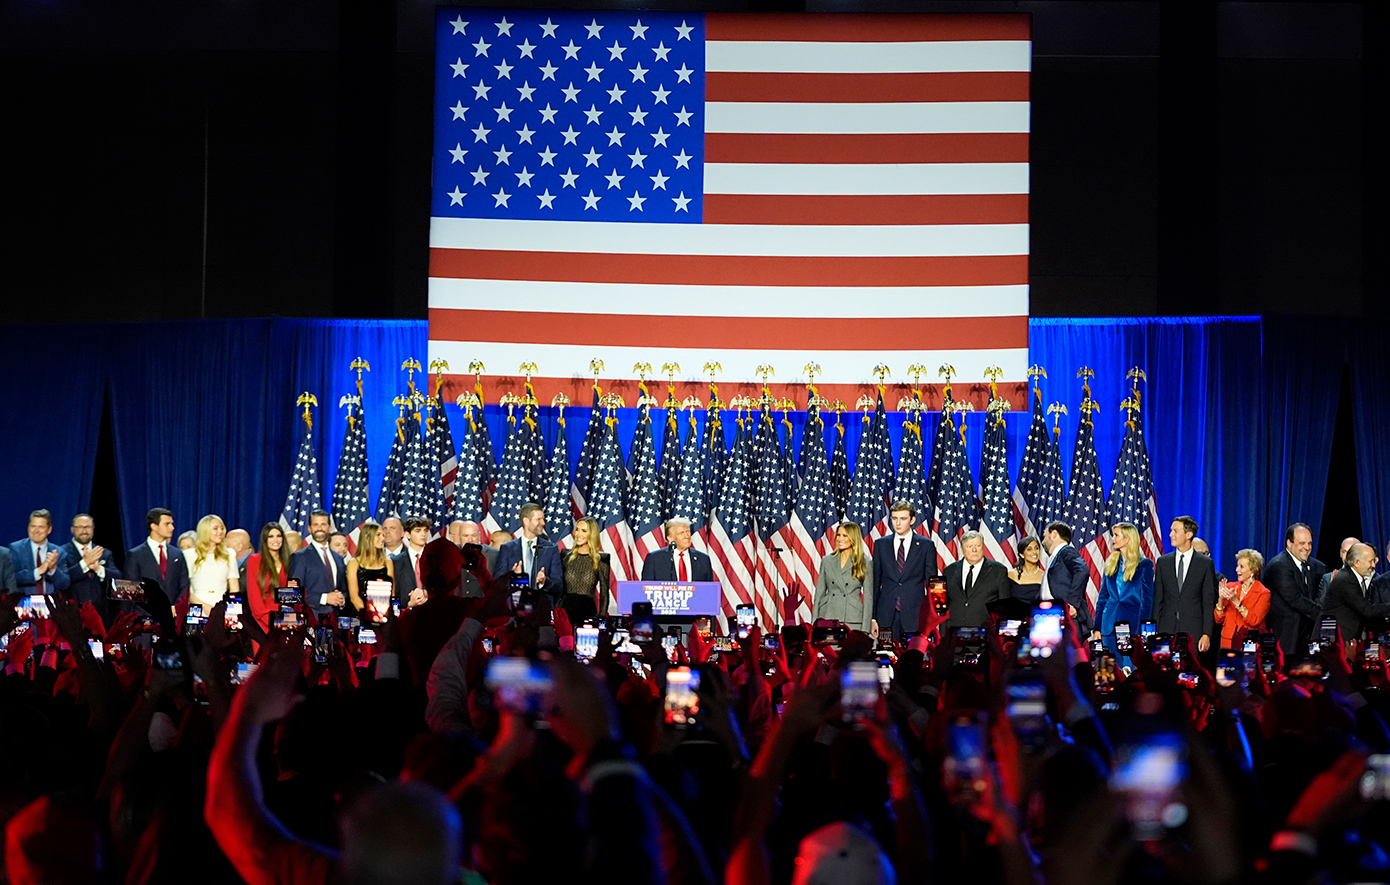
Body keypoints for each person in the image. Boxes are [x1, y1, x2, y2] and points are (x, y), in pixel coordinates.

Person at [1153, 515, 1218, 653]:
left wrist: (1207, 634)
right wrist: (1155, 632)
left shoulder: (1205, 564)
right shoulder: (1163, 563)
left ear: (1189, 534)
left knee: (1190, 673)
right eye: (1171, 530)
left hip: (1193, 633)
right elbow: (1158, 600)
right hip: (1166, 631)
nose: (1171, 534)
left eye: (1175, 531)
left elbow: (1208, 602)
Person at [872, 501, 937, 639]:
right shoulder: (881, 544)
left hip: (915, 615)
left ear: (912, 520)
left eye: (903, 519)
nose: (898, 523)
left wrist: (932, 618)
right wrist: (873, 618)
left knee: (914, 657)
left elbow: (932, 583)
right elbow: (875, 583)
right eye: (894, 518)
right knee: (886, 656)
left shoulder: (926, 545)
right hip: (886, 615)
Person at [1092, 523, 1154, 662]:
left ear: (1127, 539)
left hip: (1131, 627)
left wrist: (1141, 633)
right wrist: (1097, 628)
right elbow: (1102, 598)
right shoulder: (1111, 563)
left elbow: (1147, 602)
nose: (1113, 538)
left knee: (1128, 670)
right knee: (1109, 671)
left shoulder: (1144, 565)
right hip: (1108, 626)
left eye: (1116, 535)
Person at [1263, 522, 1326, 656]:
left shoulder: (1313, 566)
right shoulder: (1279, 566)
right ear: (1289, 543)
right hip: (1287, 637)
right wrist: (1325, 614)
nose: (1307, 548)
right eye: (1302, 543)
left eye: (1309, 543)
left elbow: (1313, 596)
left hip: (1305, 636)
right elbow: (1295, 599)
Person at [1319, 542, 1390, 643]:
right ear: (1356, 562)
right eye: (1370, 561)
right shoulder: (1345, 580)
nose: (1373, 565)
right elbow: (1367, 610)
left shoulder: (1352, 577)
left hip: (1343, 640)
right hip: (1333, 641)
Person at [812, 521, 874, 632]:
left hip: (852, 618)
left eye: (845, 536)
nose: (840, 539)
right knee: (828, 649)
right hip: (828, 615)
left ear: (853, 538)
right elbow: (819, 594)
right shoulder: (827, 561)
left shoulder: (865, 562)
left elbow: (869, 599)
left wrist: (865, 629)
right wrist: (814, 624)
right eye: (838, 535)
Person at [495, 503, 565, 598]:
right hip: (515, 607)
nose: (543, 523)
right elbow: (498, 584)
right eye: (538, 519)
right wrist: (513, 577)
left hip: (541, 606)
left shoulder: (551, 549)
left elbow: (559, 586)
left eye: (543, 519)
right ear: (526, 521)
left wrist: (544, 581)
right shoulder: (507, 549)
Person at [61, 513, 121, 622]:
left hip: (100, 616)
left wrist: (98, 569)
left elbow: (118, 578)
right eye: (80, 527)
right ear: (72, 529)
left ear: (93, 529)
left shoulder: (104, 553)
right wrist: (85, 563)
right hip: (72, 616)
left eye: (88, 527)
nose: (84, 531)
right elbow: (62, 580)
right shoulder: (62, 553)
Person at [125, 507, 191, 605]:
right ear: (154, 526)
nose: (172, 528)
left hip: (173, 616)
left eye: (172, 524)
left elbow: (184, 586)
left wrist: (176, 608)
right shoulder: (135, 555)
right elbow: (130, 590)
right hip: (145, 615)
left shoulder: (177, 555)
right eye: (167, 524)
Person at [943, 530, 1008, 628]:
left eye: (978, 546)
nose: (974, 550)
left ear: (983, 546)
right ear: (962, 548)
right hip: (954, 633)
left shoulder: (998, 571)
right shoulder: (949, 571)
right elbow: (945, 606)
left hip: (986, 634)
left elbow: (1004, 607)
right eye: (969, 546)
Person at [287, 509, 347, 615]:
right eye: (316, 525)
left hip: (336, 621)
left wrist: (341, 599)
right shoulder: (299, 557)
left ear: (330, 528)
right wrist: (324, 598)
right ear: (309, 529)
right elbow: (293, 593)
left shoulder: (339, 559)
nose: (319, 528)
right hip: (311, 619)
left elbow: (344, 590)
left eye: (323, 524)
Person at [1040, 520, 1092, 633]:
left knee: (1070, 651)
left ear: (1054, 534)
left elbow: (1082, 570)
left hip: (1067, 619)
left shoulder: (1066, 551)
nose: (1043, 542)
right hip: (1054, 617)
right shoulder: (1055, 557)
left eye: (1044, 537)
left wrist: (1071, 603)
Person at [1214, 549, 1271, 649]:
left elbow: (1255, 621)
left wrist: (1236, 602)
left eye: (1241, 567)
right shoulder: (1231, 587)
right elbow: (1218, 619)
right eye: (1237, 566)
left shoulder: (1264, 593)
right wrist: (1221, 599)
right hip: (1227, 642)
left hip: (1249, 642)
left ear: (1253, 570)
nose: (1237, 570)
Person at [10, 509, 72, 600]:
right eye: (33, 526)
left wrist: (53, 569)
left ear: (49, 529)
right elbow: (12, 578)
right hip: (23, 604)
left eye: (41, 527)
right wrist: (38, 571)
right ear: (28, 527)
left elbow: (64, 584)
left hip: (50, 607)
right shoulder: (16, 549)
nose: (36, 530)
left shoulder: (59, 552)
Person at [182, 514, 239, 608]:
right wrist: (204, 607)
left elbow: (234, 589)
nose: (220, 532)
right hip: (196, 608)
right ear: (204, 531)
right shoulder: (189, 555)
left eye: (222, 528)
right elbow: (186, 590)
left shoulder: (229, 554)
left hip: (222, 608)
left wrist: (231, 611)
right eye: (215, 528)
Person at [561, 517, 612, 620]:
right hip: (564, 613)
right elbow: (559, 588)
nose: (578, 534)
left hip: (588, 613)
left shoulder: (601, 560)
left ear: (592, 535)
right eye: (577, 529)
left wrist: (602, 617)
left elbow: (604, 593)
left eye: (583, 531)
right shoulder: (565, 556)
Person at [242, 522, 290, 633]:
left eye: (279, 536)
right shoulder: (255, 560)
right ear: (265, 540)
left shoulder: (289, 561)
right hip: (263, 622)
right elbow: (255, 597)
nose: (276, 540)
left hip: (286, 621)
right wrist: (274, 622)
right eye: (271, 536)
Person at [639, 517, 713, 583]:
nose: (687, 536)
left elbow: (709, 590)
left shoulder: (703, 559)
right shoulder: (655, 559)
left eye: (688, 532)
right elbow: (646, 588)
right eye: (681, 533)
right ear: (670, 538)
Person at [347, 522, 395, 614]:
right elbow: (354, 597)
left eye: (383, 535)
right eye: (378, 535)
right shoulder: (354, 563)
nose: (382, 538)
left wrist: (383, 615)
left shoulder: (387, 562)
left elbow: (391, 594)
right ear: (366, 537)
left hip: (384, 615)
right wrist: (369, 615)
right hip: (361, 615)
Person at [393, 516, 432, 608]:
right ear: (408, 534)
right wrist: (409, 604)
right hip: (406, 615)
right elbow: (395, 594)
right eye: (418, 531)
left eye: (425, 531)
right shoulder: (396, 562)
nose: (423, 534)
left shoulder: (436, 560)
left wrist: (426, 593)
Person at [448, 520, 499, 588]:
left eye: (474, 535)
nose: (470, 540)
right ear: (459, 537)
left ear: (479, 535)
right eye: (466, 536)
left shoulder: (494, 554)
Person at [1316, 536, 1358, 606]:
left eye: (1351, 553)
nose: (1348, 557)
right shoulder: (1328, 578)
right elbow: (1319, 607)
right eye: (1345, 552)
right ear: (1340, 553)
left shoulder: (1368, 578)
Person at [1007, 535, 1045, 601]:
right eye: (1029, 549)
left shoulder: (1044, 576)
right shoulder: (1011, 575)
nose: (1034, 552)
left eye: (1036, 548)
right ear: (1022, 555)